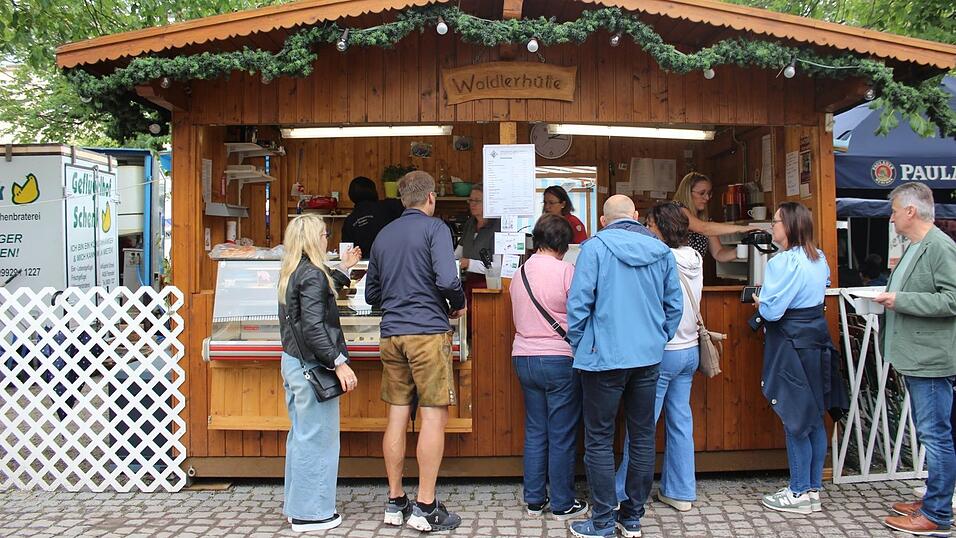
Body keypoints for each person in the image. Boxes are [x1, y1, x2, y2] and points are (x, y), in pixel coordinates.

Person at [566, 195, 683, 538]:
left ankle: (602, 521)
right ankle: (632, 517)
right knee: (643, 437)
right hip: (647, 358)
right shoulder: (661, 251)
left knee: (599, 439)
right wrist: (656, 339)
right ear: (635, 216)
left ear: (603, 220)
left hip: (602, 358)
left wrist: (581, 343)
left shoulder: (594, 248)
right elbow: (673, 306)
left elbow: (578, 305)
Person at [365, 170, 467, 533]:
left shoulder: (383, 235)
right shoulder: (435, 228)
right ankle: (425, 506)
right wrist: (457, 303)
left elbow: (370, 295)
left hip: (391, 336)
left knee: (396, 417)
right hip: (427, 333)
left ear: (402, 199)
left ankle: (395, 502)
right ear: (431, 199)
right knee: (433, 417)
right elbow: (446, 278)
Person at [755, 202, 848, 516]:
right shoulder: (819, 257)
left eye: (776, 220)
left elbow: (771, 310)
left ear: (790, 226)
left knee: (795, 418)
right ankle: (813, 491)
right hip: (818, 340)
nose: (772, 226)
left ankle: (797, 492)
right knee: (815, 417)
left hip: (791, 342)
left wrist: (759, 300)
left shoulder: (781, 262)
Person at [875, 183, 956, 536]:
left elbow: (952, 299)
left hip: (933, 358)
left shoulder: (939, 246)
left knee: (936, 436)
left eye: (894, 211)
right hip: (916, 355)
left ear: (910, 211)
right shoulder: (917, 246)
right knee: (931, 434)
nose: (891, 217)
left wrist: (900, 300)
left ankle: (937, 514)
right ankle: (931, 501)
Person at [614, 202, 703, 512]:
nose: (647, 231)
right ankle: (680, 492)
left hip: (663, 351)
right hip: (689, 350)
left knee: (641, 426)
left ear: (662, 229)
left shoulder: (660, 257)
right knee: (681, 422)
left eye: (651, 226)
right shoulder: (696, 258)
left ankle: (623, 492)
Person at [277, 214, 362, 533]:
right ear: (315, 239)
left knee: (301, 437)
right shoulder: (311, 274)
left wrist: (343, 269)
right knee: (319, 440)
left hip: (293, 363)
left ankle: (296, 505)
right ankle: (311, 514)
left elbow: (315, 298)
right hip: (312, 366)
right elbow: (314, 327)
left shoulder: (293, 271)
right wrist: (338, 362)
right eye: (325, 234)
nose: (328, 238)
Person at [509, 214, 589, 521]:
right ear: (564, 244)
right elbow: (580, 313)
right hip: (559, 359)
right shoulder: (567, 271)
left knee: (535, 430)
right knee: (562, 433)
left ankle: (533, 500)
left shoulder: (520, 273)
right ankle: (561, 503)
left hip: (523, 358)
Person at [673, 172, 755, 260]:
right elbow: (702, 228)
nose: (707, 198)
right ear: (687, 193)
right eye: (702, 193)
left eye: (709, 193)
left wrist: (741, 250)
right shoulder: (676, 209)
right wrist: (741, 228)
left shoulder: (705, 220)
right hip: (672, 272)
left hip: (693, 272)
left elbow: (718, 253)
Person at [455, 185, 500, 331]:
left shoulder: (498, 227)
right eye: (470, 200)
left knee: (484, 329)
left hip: (488, 288)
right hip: (469, 286)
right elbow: (458, 253)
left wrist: (469, 264)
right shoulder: (470, 224)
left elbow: (497, 266)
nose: (472, 204)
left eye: (477, 201)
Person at [342, 176, 394, 259]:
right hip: (392, 262)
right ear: (373, 191)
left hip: (364, 266)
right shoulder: (389, 206)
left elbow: (347, 252)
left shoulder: (349, 220)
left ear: (351, 194)